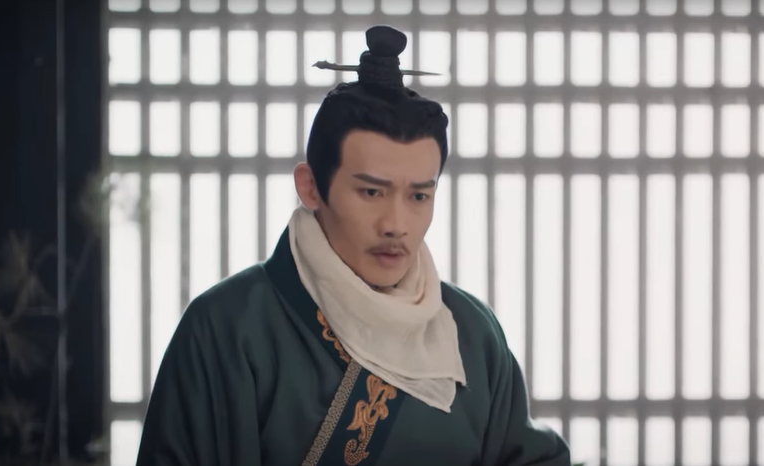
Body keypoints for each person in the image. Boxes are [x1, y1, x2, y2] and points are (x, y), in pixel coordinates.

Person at [135, 25, 571, 466]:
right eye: (371, 192)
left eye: (419, 196)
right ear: (310, 187)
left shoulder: (472, 332)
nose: (396, 225)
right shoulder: (228, 327)